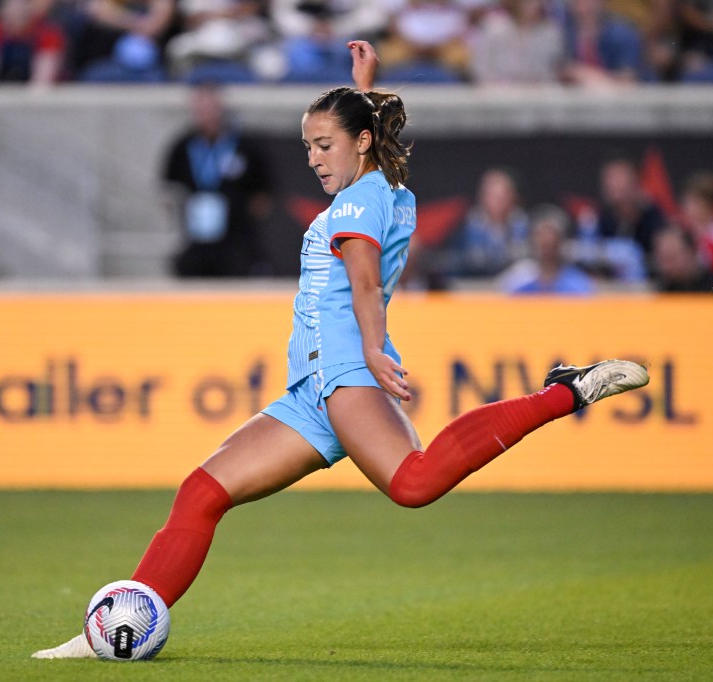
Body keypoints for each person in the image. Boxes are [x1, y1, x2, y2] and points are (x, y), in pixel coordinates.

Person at [32, 40, 649, 660]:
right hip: (313, 389)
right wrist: (366, 87)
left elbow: (363, 282)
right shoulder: (379, 187)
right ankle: (117, 630)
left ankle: (564, 391)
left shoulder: (358, 201)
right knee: (201, 493)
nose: (313, 159)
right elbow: (365, 181)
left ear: (359, 142)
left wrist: (375, 350)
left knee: (414, 483)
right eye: (307, 147)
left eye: (324, 145)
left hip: (348, 373)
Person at [162, 82, 273, 277]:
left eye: (211, 108)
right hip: (194, 239)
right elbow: (169, 189)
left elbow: (262, 194)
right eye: (201, 109)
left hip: (236, 241)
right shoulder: (183, 146)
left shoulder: (244, 147)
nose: (207, 114)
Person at [501, 204, 596, 295]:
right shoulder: (518, 279)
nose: (546, 241)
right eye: (541, 235)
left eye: (552, 236)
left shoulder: (578, 284)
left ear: (561, 241)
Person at [470, 0, 564, 85]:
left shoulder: (550, 33)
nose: (535, 5)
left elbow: (552, 73)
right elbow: (480, 70)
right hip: (497, 97)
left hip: (537, 98)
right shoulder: (493, 29)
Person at [652, 226, 713, 293]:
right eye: (662, 258)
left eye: (672, 257)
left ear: (691, 252)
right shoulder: (659, 292)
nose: (667, 265)